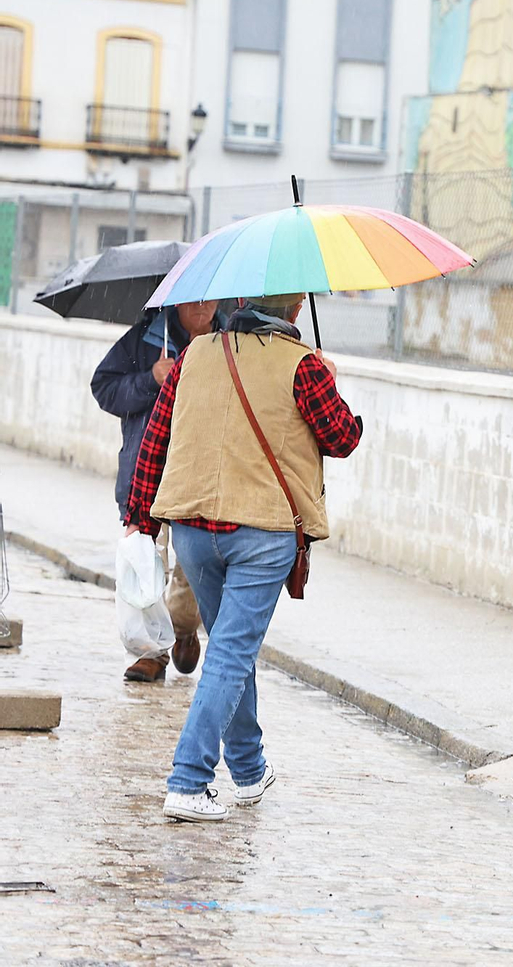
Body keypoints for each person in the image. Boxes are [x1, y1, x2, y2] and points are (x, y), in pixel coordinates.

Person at [124, 293, 363, 822]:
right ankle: (189, 780)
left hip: (191, 528)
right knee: (231, 654)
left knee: (233, 649)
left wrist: (141, 518)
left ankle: (250, 770)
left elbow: (156, 437)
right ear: (295, 312)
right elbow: (343, 437)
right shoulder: (301, 365)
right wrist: (330, 379)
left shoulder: (196, 355)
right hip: (262, 531)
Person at [92, 300, 222, 682]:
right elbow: (104, 388)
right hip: (148, 473)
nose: (204, 307)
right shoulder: (145, 340)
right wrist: (150, 378)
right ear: (177, 300)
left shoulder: (229, 342)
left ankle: (182, 627)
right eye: (195, 300)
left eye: (211, 298)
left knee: (193, 568)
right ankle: (151, 651)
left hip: (202, 475)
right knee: (147, 562)